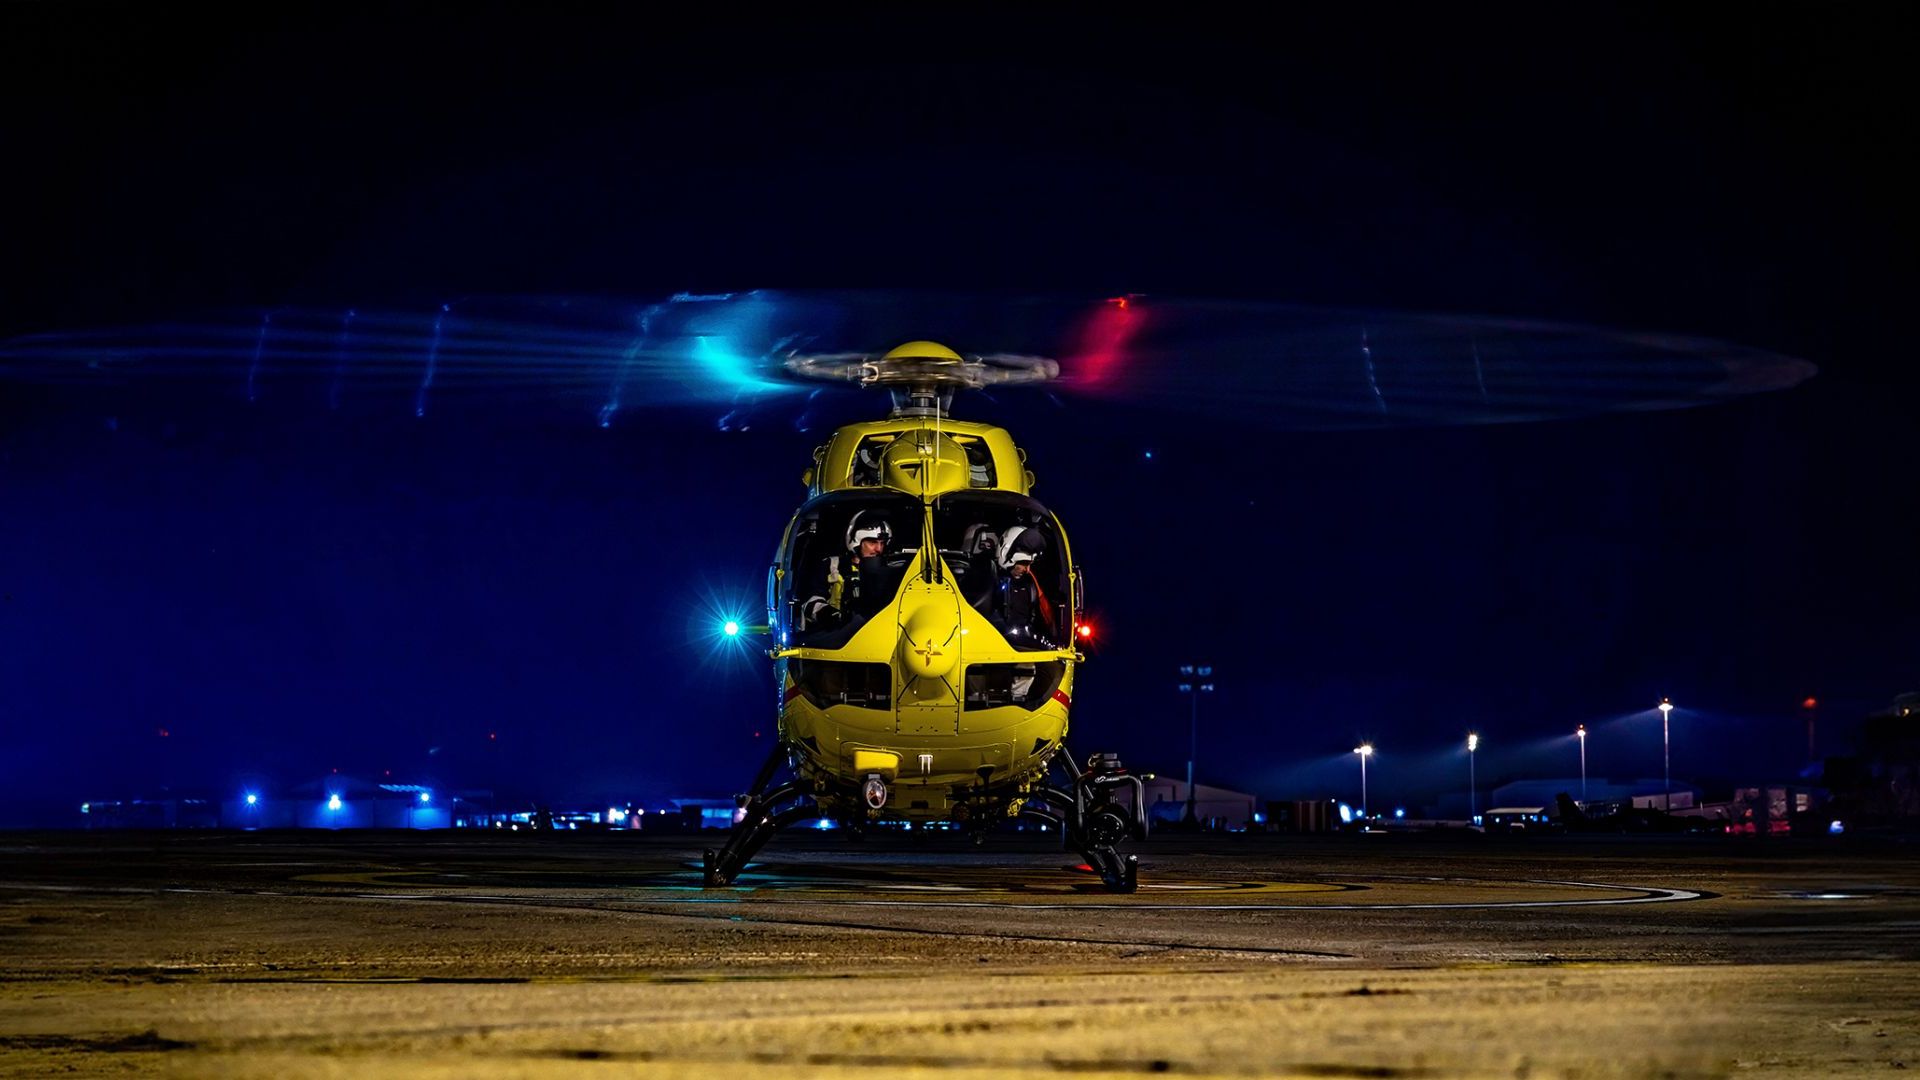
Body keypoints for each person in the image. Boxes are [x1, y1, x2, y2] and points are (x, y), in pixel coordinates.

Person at [800, 511, 895, 631]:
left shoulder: (889, 570)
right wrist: (830, 615)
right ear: (856, 542)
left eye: (882, 543)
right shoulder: (832, 566)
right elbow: (810, 602)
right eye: (872, 542)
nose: (879, 549)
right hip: (838, 635)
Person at [994, 525, 1055, 646]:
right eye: (1023, 563)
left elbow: (1047, 618)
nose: (1027, 570)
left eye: (1030, 564)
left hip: (1022, 647)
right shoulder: (987, 580)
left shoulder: (1031, 583)